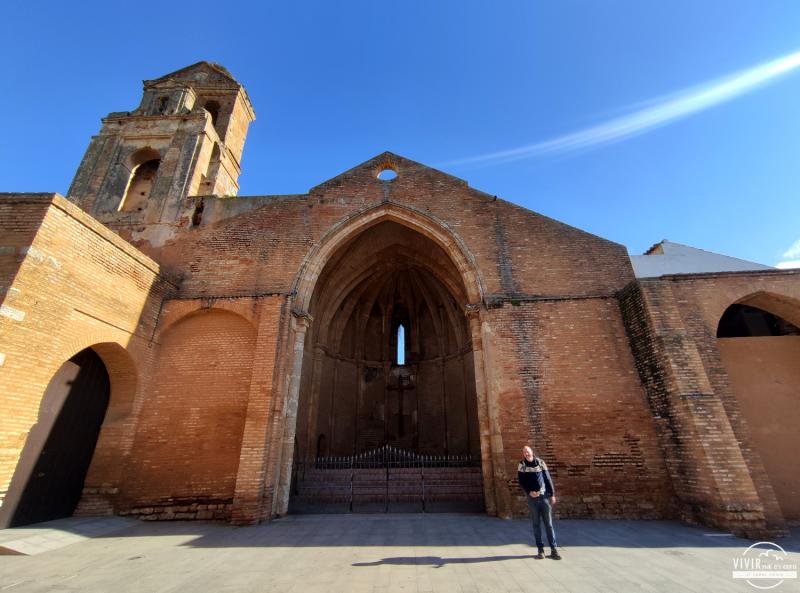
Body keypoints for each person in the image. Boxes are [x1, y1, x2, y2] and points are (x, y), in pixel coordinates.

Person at [518, 445, 561, 560]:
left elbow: (547, 479)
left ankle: (554, 549)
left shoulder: (541, 463)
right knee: (536, 524)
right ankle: (540, 550)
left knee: (549, 524)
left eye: (527, 451)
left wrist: (552, 494)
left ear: (532, 451)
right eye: (524, 452)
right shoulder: (522, 465)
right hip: (532, 498)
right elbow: (522, 481)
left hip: (544, 497)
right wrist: (529, 492)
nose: (526, 453)